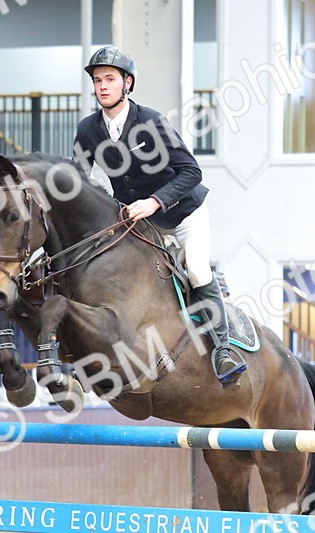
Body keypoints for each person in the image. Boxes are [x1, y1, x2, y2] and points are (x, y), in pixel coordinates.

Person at [73, 46, 246, 385]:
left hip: (182, 212)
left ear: (128, 84)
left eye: (110, 79)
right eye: (97, 81)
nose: (103, 86)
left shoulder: (151, 121)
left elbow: (191, 172)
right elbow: (79, 179)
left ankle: (223, 349)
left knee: (195, 268)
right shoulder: (88, 130)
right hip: (136, 220)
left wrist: (154, 202)